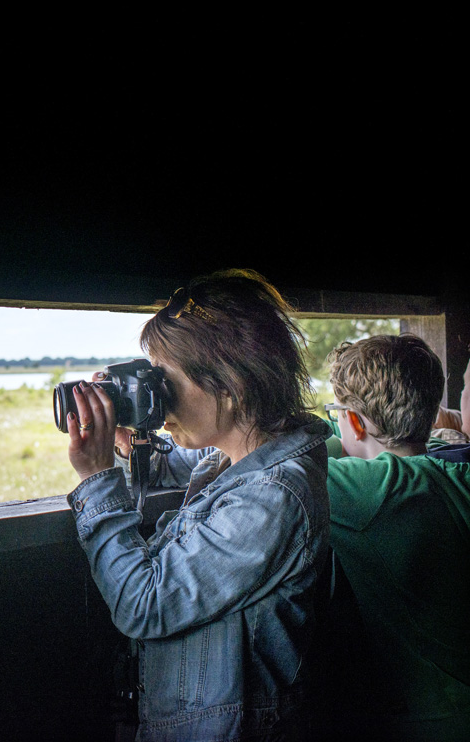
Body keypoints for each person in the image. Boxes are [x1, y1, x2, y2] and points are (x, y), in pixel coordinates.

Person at [64, 268, 331, 741]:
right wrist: (131, 444)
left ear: (229, 384)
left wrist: (97, 477)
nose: (157, 400)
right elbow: (197, 471)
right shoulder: (243, 458)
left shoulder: (273, 498)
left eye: (163, 383)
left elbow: (142, 604)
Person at [319, 335, 470, 740]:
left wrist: (336, 426)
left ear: (352, 421)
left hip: (420, 724)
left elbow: (289, 468)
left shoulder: (366, 489)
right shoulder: (455, 471)